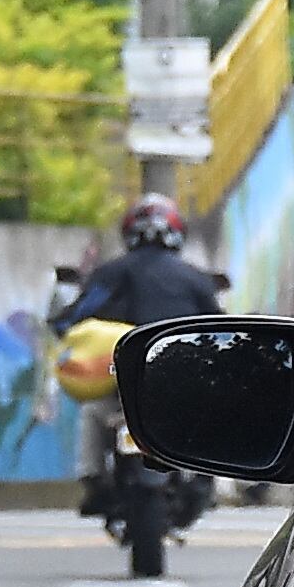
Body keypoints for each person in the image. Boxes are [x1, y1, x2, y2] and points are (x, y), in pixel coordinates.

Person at [52, 190, 225, 483]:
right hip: (178, 379)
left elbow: (77, 315)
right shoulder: (195, 278)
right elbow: (222, 329)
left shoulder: (111, 273)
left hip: (124, 377)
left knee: (93, 412)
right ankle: (202, 474)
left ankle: (93, 477)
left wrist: (63, 328)